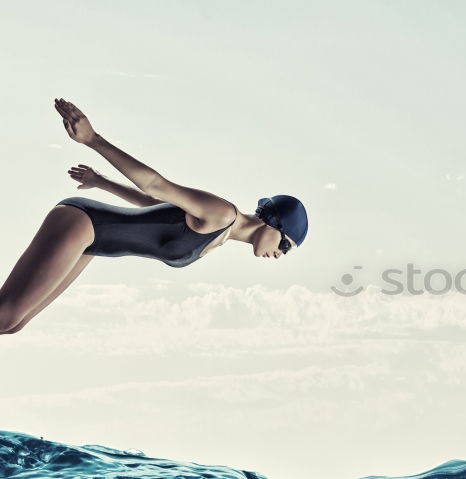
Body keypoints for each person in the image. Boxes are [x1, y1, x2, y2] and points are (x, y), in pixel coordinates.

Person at [0, 98, 308, 335]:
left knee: (14, 324)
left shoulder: (220, 234)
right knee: (6, 315)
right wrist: (93, 139)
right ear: (273, 224)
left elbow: (151, 205)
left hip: (92, 242)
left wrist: (101, 182)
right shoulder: (222, 214)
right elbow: (155, 185)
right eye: (285, 245)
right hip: (83, 224)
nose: (280, 254)